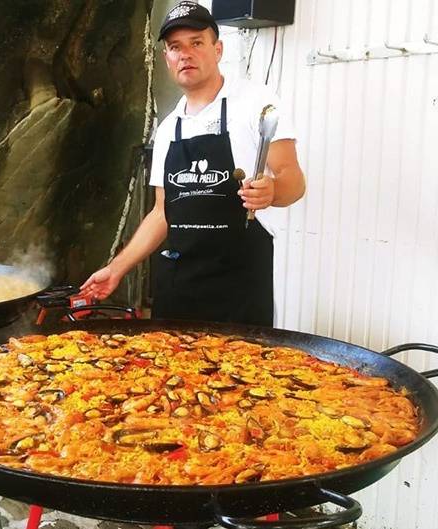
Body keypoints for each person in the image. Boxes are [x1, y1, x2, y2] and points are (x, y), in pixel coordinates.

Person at [80, 1, 305, 327]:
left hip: (238, 290)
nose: (185, 53)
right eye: (175, 47)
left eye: (196, 43)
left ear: (217, 49)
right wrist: (116, 269)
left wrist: (273, 191)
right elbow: (161, 213)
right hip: (178, 289)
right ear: (167, 59)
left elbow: (294, 180)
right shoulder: (169, 127)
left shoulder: (256, 102)